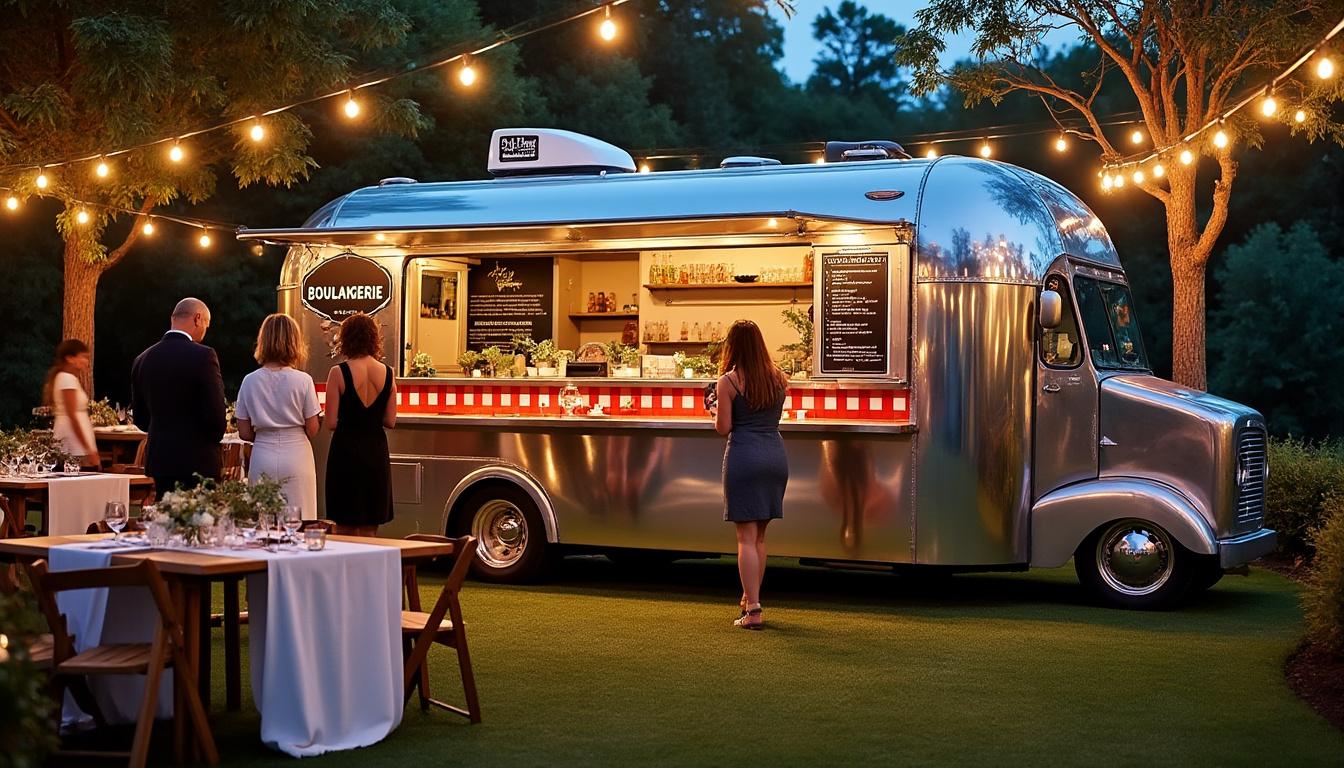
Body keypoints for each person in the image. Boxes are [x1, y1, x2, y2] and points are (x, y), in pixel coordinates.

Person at [710, 319, 789, 630]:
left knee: (745, 537)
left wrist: (714, 410)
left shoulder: (728, 382)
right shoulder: (780, 378)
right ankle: (748, 596)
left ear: (733, 346)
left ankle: (753, 610)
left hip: (745, 457)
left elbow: (724, 428)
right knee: (759, 538)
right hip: (775, 457)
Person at [131, 297, 227, 498]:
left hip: (160, 460)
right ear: (198, 319)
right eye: (206, 326)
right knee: (201, 524)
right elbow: (216, 418)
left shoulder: (143, 358)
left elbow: (140, 418)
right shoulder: (204, 356)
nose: (204, 331)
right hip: (198, 461)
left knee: (166, 523)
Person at [234, 314, 321, 519]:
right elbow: (313, 429)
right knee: (300, 517)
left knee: (264, 518)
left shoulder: (249, 381)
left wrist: (266, 434)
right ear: (295, 342)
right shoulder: (303, 380)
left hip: (263, 452)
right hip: (297, 452)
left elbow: (244, 432)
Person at [324, 313, 396, 536]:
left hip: (345, 451)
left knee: (343, 523)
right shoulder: (388, 373)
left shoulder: (338, 373)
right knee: (370, 525)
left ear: (346, 338)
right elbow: (390, 421)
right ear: (373, 338)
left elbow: (331, 422)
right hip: (375, 451)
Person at [43, 339, 100, 468]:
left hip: (76, 443)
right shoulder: (66, 379)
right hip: (74, 444)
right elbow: (72, 416)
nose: (86, 361)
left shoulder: (68, 379)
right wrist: (88, 448)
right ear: (70, 358)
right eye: (83, 357)